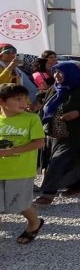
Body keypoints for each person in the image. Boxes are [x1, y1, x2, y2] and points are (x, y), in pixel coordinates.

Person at [34, 62, 80, 206]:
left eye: (61, 72)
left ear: (71, 73)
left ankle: (47, 194)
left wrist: (79, 113)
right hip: (51, 133)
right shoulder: (55, 88)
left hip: (73, 134)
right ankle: (77, 185)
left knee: (57, 162)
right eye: (55, 72)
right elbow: (45, 109)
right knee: (65, 161)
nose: (56, 75)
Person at [0, 84, 46, 244]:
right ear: (2, 102)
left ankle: (35, 223)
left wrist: (9, 151)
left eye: (25, 98)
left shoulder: (31, 119)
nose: (24, 102)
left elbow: (39, 143)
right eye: (18, 99)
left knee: (20, 204)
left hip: (20, 171)